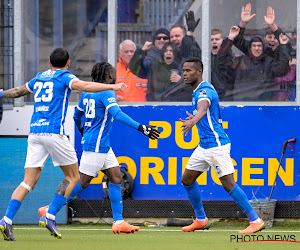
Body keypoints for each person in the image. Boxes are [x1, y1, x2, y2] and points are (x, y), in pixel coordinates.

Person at [0, 48, 127, 241]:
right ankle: (50, 215)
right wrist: (113, 87)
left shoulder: (39, 77)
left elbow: (18, 91)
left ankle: (6, 219)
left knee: (28, 182)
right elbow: (84, 86)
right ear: (68, 63)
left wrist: (1, 93)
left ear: (49, 63)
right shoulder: (65, 77)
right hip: (53, 133)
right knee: (73, 176)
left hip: (34, 133)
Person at [38, 62, 160, 234]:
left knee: (116, 177)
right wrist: (141, 127)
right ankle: (50, 209)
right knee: (82, 181)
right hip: (97, 145)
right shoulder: (106, 91)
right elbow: (117, 114)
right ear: (109, 76)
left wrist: (85, 131)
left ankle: (118, 221)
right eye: (113, 73)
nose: (114, 75)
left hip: (100, 144)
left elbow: (76, 116)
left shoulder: (87, 92)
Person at [179, 57, 264, 234]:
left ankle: (255, 220)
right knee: (187, 179)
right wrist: (194, 119)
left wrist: (193, 121)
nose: (184, 74)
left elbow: (203, 109)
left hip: (216, 146)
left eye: (188, 71)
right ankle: (201, 219)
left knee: (228, 183)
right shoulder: (196, 91)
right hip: (204, 146)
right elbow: (204, 113)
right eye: (183, 71)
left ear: (199, 72)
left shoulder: (204, 91)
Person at [222, 26, 290, 101]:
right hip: (241, 103)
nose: (256, 48)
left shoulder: (269, 62)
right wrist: (230, 39)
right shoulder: (241, 61)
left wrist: (283, 45)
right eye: (254, 46)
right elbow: (223, 62)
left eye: (259, 46)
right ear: (250, 48)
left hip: (263, 105)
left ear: (263, 47)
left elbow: (282, 69)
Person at [210, 29, 236, 100]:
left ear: (222, 41)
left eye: (217, 39)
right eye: (212, 40)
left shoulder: (230, 58)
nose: (214, 42)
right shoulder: (205, 58)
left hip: (226, 96)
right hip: (209, 96)